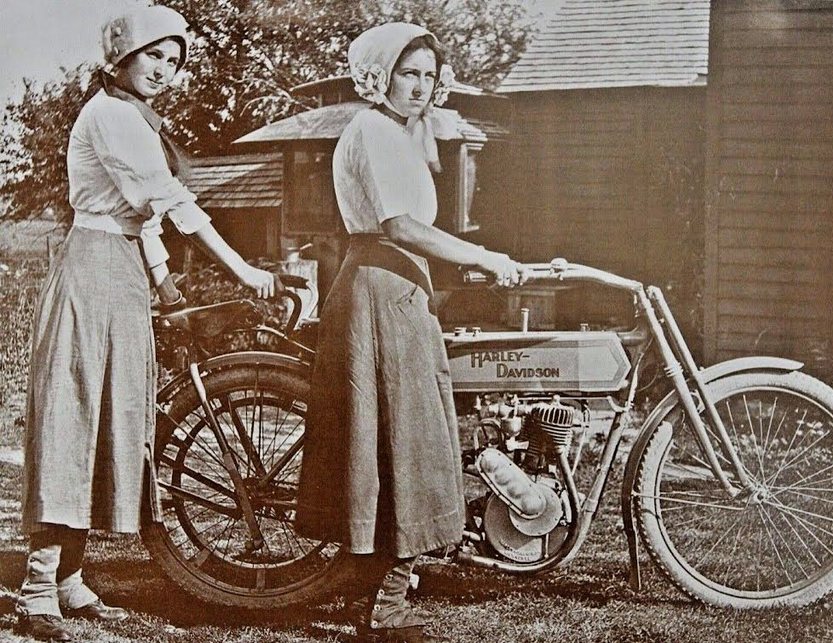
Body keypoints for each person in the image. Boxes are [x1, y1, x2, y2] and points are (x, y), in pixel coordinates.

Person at [16, 6, 276, 641]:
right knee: (73, 418)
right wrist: (241, 268)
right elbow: (166, 200)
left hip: (124, 272)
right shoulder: (108, 115)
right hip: (90, 271)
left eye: (173, 60)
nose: (164, 70)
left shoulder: (136, 119)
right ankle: (38, 583)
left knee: (117, 415)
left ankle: (73, 574)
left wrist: (161, 279)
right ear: (121, 59)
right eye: (153, 56)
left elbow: (146, 219)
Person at [296, 22, 528, 643]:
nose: (422, 86)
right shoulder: (372, 130)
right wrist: (483, 258)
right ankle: (387, 606)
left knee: (394, 436)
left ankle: (375, 586)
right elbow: (399, 225)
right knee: (403, 438)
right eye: (409, 74)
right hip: (379, 285)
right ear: (380, 76)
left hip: (397, 286)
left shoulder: (395, 134)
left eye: (429, 75)